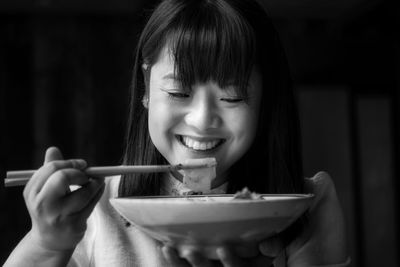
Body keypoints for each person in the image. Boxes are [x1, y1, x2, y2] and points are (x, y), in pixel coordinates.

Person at [4, 0, 350, 266]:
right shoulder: (93, 208)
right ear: (145, 88)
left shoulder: (306, 206)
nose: (201, 121)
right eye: (178, 93)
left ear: (265, 100)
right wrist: (49, 242)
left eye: (231, 96)